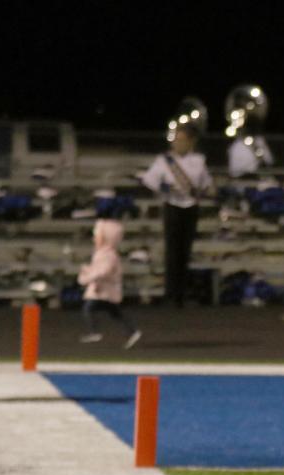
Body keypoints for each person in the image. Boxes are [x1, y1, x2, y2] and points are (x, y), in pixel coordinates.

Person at [141, 123, 213, 306]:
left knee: (185, 250)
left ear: (190, 142)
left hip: (191, 207)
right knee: (172, 251)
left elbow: (207, 185)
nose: (176, 144)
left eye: (181, 140)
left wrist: (208, 192)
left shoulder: (198, 161)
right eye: (176, 139)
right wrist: (165, 187)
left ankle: (181, 293)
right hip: (172, 205)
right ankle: (170, 293)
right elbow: (149, 181)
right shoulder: (164, 160)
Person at [77, 219, 141, 349]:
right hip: (103, 289)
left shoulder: (108, 255)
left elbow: (103, 271)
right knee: (114, 312)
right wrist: (88, 271)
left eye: (97, 236)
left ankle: (94, 332)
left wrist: (88, 277)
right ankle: (132, 331)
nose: (95, 238)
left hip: (103, 289)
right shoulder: (102, 253)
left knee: (89, 308)